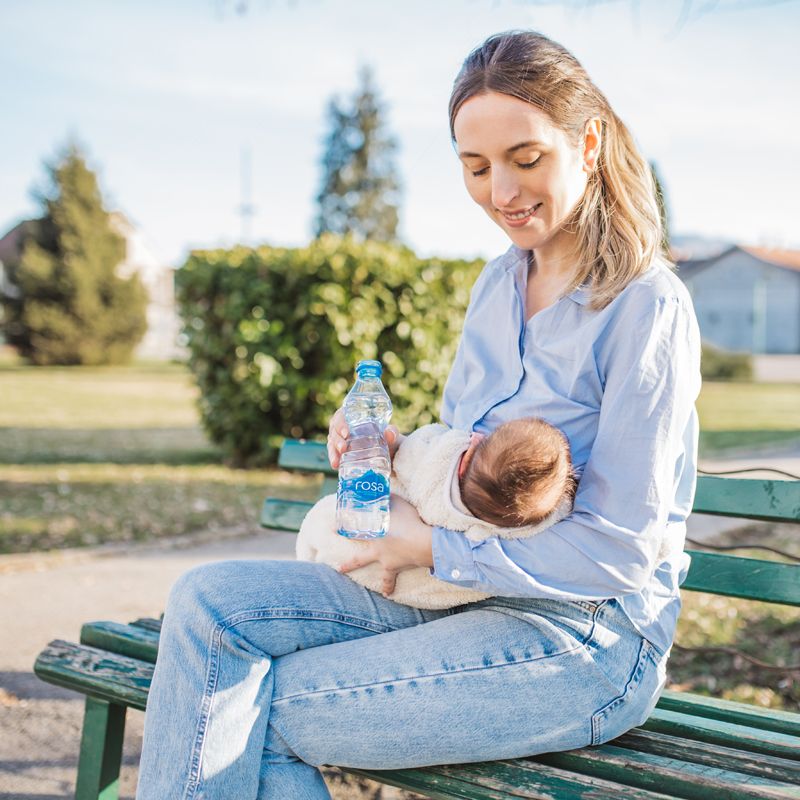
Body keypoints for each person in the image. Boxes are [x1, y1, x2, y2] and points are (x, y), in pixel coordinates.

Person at [135, 30, 701, 800]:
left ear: (589, 143)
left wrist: (432, 546)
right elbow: (465, 460)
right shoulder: (495, 288)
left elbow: (622, 553)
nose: (501, 191)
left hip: (582, 639)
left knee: (258, 708)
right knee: (208, 606)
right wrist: (388, 452)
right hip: (451, 598)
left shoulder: (645, 307)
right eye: (476, 168)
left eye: (525, 158)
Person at [297, 417, 577, 610]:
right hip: (396, 589)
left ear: (469, 455)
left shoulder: (438, 459)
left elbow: (406, 454)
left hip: (349, 540)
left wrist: (390, 447)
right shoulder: (502, 534)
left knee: (323, 524)